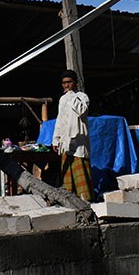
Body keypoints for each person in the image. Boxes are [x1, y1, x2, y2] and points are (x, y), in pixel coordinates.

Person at [52, 69, 93, 201]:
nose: (66, 85)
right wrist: (56, 139)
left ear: (75, 83)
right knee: (67, 176)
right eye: (64, 83)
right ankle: (70, 201)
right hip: (66, 143)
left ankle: (86, 201)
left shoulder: (82, 97)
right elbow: (60, 120)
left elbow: (82, 111)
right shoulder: (62, 99)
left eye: (69, 82)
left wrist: (71, 95)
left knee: (81, 174)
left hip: (79, 143)